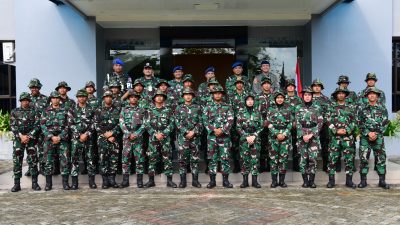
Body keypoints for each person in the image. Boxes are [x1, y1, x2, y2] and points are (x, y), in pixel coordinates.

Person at [202, 85, 234, 188]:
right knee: (212, 159)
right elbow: (205, 120)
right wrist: (214, 130)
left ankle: (225, 181)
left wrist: (222, 130)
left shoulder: (228, 106)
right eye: (215, 93)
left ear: (222, 94)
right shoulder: (207, 107)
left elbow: (230, 120)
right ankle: (212, 181)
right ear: (212, 95)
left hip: (224, 137)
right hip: (212, 137)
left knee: (225, 158)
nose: (218, 94)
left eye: (219, 93)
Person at [357, 87, 390, 189]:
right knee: (363, 159)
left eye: (374, 94)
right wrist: (368, 133)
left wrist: (375, 133)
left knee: (381, 159)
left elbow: (385, 123)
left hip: (378, 137)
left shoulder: (382, 109)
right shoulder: (362, 109)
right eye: (370, 94)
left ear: (377, 96)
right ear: (367, 96)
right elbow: (359, 123)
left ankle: (382, 181)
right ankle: (363, 181)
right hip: (365, 139)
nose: (372, 95)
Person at [144, 90, 177, 188]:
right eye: (157, 96)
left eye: (161, 96)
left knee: (167, 159)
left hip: (165, 138)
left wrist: (163, 133)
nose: (159, 97)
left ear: (164, 98)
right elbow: (146, 124)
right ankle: (151, 181)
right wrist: (155, 134)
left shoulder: (168, 110)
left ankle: (169, 181)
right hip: (153, 139)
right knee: (152, 159)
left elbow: (172, 124)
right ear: (154, 98)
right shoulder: (149, 111)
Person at [10, 92, 41, 192]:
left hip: (31, 140)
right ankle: (17, 184)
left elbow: (37, 125)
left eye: (27, 100)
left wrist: (28, 136)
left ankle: (35, 183)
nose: (25, 102)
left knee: (33, 160)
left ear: (29, 101)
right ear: (20, 101)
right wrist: (21, 136)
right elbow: (12, 125)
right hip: (19, 140)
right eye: (23, 100)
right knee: (17, 161)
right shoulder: (14, 111)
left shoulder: (34, 111)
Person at [326, 88, 356, 188]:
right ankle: (331, 181)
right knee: (332, 160)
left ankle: (349, 181)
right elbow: (328, 120)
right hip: (335, 138)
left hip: (348, 138)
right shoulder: (331, 106)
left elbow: (354, 121)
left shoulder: (351, 107)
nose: (341, 95)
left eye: (343, 93)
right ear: (336, 95)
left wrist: (347, 130)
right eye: (339, 93)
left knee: (349, 159)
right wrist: (336, 130)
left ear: (345, 95)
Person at [41, 91, 71, 191]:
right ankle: (48, 184)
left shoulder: (65, 110)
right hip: (49, 140)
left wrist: (60, 137)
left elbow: (68, 125)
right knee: (48, 162)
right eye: (53, 98)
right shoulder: (46, 111)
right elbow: (42, 125)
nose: (55, 99)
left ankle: (65, 184)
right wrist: (51, 136)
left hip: (62, 140)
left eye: (57, 98)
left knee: (64, 162)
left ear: (60, 99)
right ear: (51, 99)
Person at [174, 87, 203, 188]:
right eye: (186, 94)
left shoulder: (198, 108)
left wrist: (194, 132)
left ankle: (195, 181)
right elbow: (177, 122)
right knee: (182, 160)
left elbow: (200, 121)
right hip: (183, 138)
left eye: (190, 94)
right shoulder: (178, 108)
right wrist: (186, 132)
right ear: (183, 96)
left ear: (193, 96)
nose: (188, 96)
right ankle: (183, 181)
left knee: (195, 160)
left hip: (195, 138)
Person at [295, 87, 323, 188]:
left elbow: (320, 122)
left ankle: (311, 181)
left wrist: (311, 134)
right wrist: (303, 135)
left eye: (309, 95)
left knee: (313, 159)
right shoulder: (298, 108)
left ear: (312, 96)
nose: (307, 97)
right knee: (303, 159)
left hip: (313, 138)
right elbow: (297, 123)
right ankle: (305, 181)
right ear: (303, 96)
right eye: (305, 95)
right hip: (302, 138)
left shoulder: (317, 108)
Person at [69, 89, 96, 189]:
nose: (81, 98)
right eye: (79, 96)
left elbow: (94, 123)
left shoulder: (92, 109)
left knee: (90, 160)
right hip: (76, 139)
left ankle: (91, 182)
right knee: (75, 160)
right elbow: (70, 124)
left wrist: (86, 134)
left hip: (88, 138)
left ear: (86, 97)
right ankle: (75, 182)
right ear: (77, 98)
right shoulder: (72, 109)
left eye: (83, 96)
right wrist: (79, 134)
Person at [94, 91, 121, 189]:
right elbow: (96, 124)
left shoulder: (117, 110)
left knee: (113, 159)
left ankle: (112, 180)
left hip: (114, 139)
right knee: (103, 159)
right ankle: (105, 181)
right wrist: (106, 134)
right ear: (103, 98)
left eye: (110, 97)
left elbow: (120, 124)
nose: (108, 98)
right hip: (102, 138)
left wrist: (113, 133)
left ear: (112, 98)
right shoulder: (98, 110)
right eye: (106, 97)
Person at [266, 89, 293, 188]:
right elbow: (268, 123)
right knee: (273, 160)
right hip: (274, 138)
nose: (280, 99)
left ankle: (282, 181)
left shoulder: (288, 109)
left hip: (285, 138)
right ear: (275, 99)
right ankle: (274, 181)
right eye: (278, 98)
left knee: (283, 160)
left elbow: (291, 123)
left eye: (281, 98)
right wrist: (277, 133)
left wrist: (284, 134)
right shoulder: (270, 109)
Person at [119, 91, 146, 188]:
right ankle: (125, 181)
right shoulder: (124, 109)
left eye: (135, 97)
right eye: (131, 97)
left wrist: (136, 133)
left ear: (138, 99)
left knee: (139, 159)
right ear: (129, 99)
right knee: (125, 159)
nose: (133, 99)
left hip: (138, 138)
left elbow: (145, 123)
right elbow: (121, 123)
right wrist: (128, 134)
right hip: (127, 138)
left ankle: (139, 181)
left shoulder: (142, 110)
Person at [236, 93, 263, 188]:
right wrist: (246, 136)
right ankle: (245, 181)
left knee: (255, 160)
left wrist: (254, 135)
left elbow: (261, 126)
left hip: (256, 139)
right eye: (248, 100)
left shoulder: (257, 112)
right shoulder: (241, 112)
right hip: (244, 140)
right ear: (245, 101)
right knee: (244, 160)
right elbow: (238, 127)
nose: (250, 101)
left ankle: (255, 181)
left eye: (252, 100)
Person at [27, 78, 47, 176]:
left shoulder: (45, 99)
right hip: (30, 129)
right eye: (32, 87)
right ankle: (31, 168)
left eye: (35, 87)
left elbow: (47, 112)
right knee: (31, 150)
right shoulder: (27, 99)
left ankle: (42, 168)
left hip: (42, 129)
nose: (34, 89)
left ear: (39, 87)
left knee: (42, 149)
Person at [285, 79, 302, 172]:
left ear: (294, 88)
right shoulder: (282, 98)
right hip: (285, 126)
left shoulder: (298, 99)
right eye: (289, 85)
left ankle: (296, 166)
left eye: (292, 86)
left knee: (296, 145)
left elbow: (301, 112)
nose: (291, 87)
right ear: (286, 87)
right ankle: (284, 167)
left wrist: (296, 121)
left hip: (296, 126)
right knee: (285, 146)